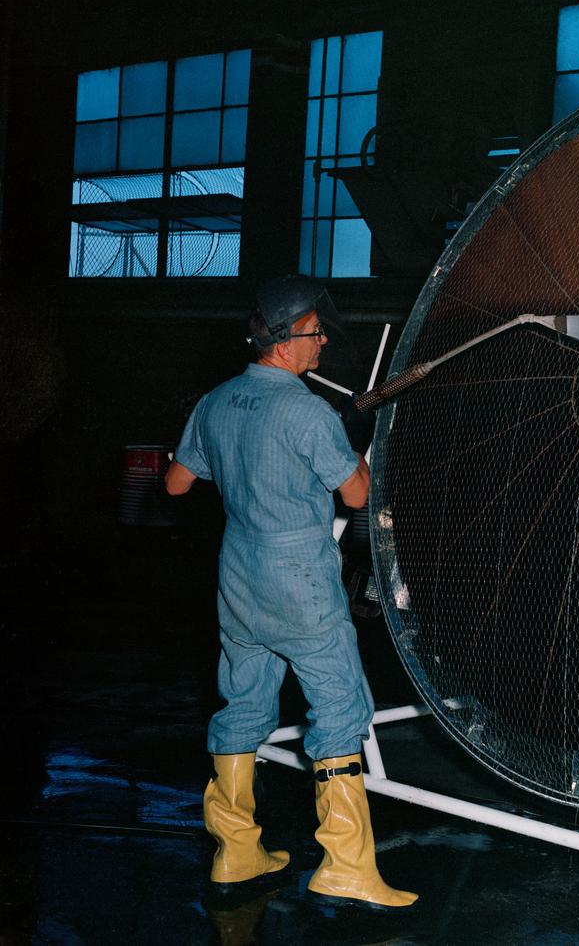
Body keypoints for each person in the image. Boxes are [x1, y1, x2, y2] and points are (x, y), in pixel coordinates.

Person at [165, 275, 416, 909]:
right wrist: (354, 449)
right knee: (338, 711)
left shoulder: (217, 401)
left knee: (243, 704)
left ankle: (236, 851)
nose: (323, 340)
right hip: (300, 581)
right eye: (314, 331)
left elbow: (174, 483)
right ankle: (346, 865)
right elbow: (357, 496)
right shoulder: (308, 410)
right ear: (282, 342)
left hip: (239, 579)